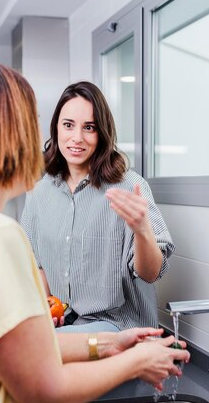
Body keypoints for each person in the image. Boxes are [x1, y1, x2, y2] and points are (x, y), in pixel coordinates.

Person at [0, 62, 189, 403]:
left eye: (88, 128)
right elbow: (42, 387)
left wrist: (110, 343)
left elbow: (5, 346)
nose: (67, 138)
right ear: (10, 134)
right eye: (38, 124)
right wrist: (137, 360)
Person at [20, 81, 175, 333]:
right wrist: (47, 310)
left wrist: (142, 230)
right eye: (68, 125)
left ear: (102, 133)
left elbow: (150, 273)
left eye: (89, 128)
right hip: (67, 324)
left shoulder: (130, 186)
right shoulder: (40, 193)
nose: (76, 138)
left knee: (30, 352)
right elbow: (39, 266)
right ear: (56, 128)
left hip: (120, 326)